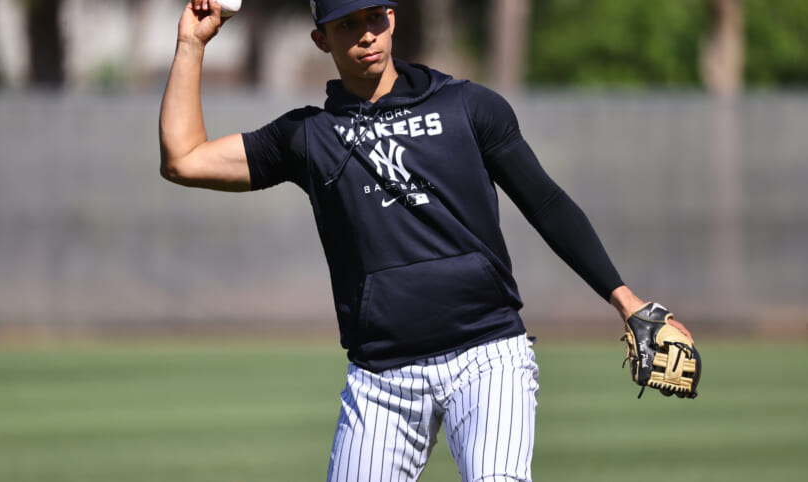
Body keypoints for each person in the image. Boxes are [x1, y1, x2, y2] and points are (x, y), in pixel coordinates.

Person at [159, 1, 695, 481]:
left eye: (374, 16)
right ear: (321, 39)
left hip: (487, 358)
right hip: (380, 377)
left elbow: (547, 203)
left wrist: (625, 300)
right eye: (346, 24)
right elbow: (184, 159)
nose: (366, 34)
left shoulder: (467, 106)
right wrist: (191, 43)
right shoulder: (307, 137)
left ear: (392, 17)